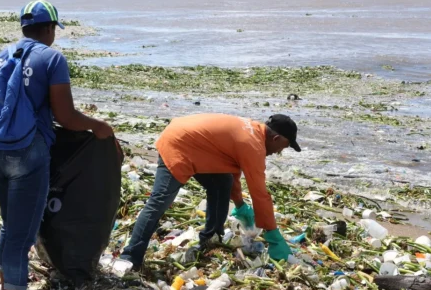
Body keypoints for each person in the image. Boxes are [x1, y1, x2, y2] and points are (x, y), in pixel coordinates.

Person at [0, 0, 114, 290]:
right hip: (27, 155)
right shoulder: (51, 58)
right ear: (49, 29)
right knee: (18, 236)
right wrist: (99, 127)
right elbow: (66, 117)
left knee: (10, 226)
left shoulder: (1, 57)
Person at [119, 113, 302, 269]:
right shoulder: (253, 145)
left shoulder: (252, 131)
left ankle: (210, 238)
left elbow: (232, 173)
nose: (280, 152)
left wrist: (240, 205)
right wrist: (272, 234)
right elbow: (259, 192)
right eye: (284, 147)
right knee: (159, 201)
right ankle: (130, 257)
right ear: (276, 138)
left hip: (193, 141)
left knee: (222, 182)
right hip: (179, 144)